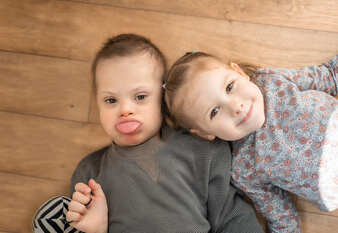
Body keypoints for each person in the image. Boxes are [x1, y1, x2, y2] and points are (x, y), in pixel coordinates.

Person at [32, 33, 264, 233]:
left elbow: (231, 216)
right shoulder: (90, 172)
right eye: (110, 100)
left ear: (163, 102)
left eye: (140, 97)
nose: (125, 110)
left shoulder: (202, 150)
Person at [163, 33, 338, 233]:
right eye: (214, 111)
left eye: (229, 87)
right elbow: (282, 216)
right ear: (205, 133)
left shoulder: (270, 81)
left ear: (239, 73)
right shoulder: (243, 167)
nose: (235, 107)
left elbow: (333, 76)